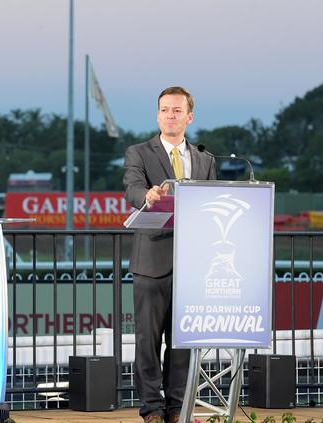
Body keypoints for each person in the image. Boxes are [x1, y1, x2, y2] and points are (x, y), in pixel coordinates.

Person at [123, 86, 216, 423]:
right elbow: (131, 187)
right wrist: (145, 194)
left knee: (182, 341)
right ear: (157, 115)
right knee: (148, 341)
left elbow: (211, 206)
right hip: (151, 261)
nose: (170, 116)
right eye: (164, 110)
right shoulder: (139, 152)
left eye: (177, 111)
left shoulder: (205, 159)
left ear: (189, 117)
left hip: (191, 264)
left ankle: (177, 407)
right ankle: (151, 407)